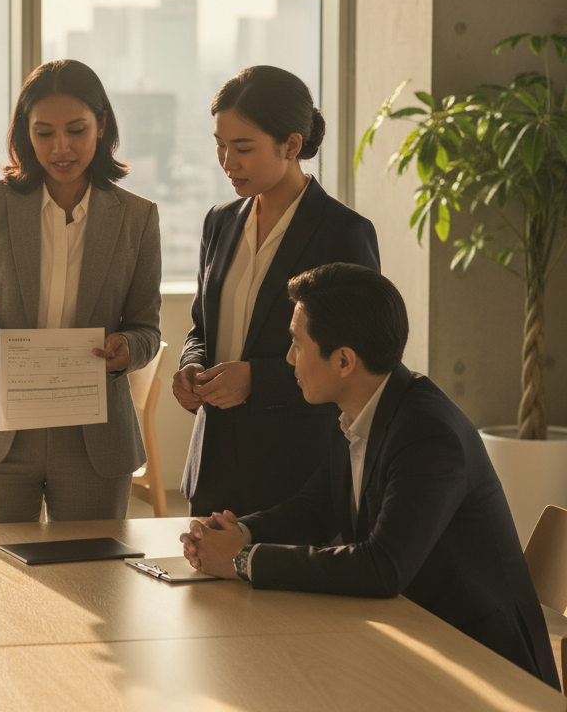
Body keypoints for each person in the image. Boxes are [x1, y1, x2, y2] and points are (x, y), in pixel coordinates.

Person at [179, 263, 560, 691]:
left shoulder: (427, 433)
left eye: (296, 344)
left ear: (344, 360)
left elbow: (382, 567)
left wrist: (241, 561)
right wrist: (239, 533)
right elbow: (316, 508)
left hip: (481, 665)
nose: (288, 359)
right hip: (411, 638)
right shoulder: (361, 409)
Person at [0, 59, 161, 524]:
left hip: (93, 435)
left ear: (101, 126)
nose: (61, 147)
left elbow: (146, 329)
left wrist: (128, 350)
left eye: (76, 130)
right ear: (24, 133)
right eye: (43, 133)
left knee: (93, 586)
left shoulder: (136, 217)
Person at [173, 65, 380, 517]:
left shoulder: (342, 233)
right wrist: (191, 366)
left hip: (294, 472)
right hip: (212, 467)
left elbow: (357, 361)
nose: (228, 162)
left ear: (292, 145)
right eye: (220, 146)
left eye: (243, 148)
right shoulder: (219, 221)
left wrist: (256, 379)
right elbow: (201, 328)